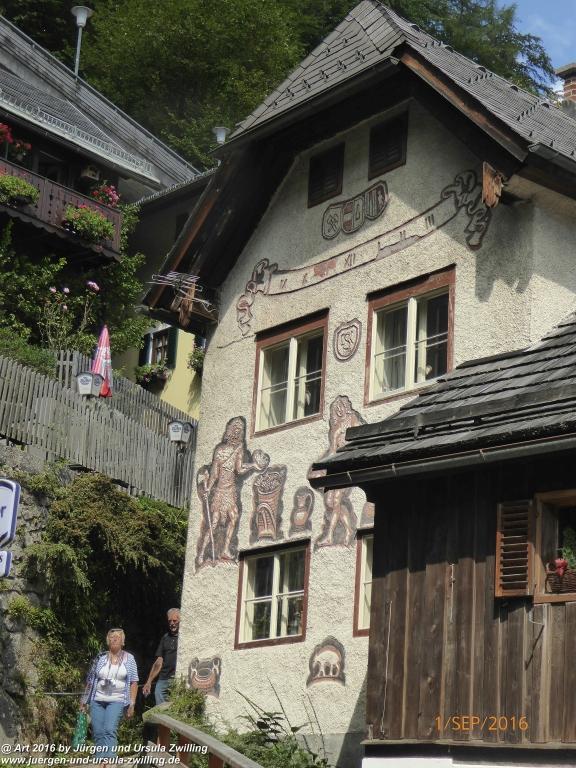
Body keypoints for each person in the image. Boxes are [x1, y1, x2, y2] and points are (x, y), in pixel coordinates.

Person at [80, 628, 138, 763]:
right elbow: (90, 680)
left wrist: (132, 704)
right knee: (98, 732)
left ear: (123, 641)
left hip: (117, 700)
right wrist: (83, 701)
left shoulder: (129, 659)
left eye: (118, 637)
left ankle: (109, 761)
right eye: (111, 637)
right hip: (97, 700)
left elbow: (134, 682)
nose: (114, 639)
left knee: (109, 729)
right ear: (108, 641)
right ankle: (100, 761)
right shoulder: (100, 658)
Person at [142, 608, 180, 704]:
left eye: (175, 620)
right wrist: (149, 681)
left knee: (177, 705)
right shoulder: (165, 638)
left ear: (180, 620)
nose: (172, 623)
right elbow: (159, 661)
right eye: (169, 621)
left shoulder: (185, 637)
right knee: (160, 703)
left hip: (178, 678)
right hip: (164, 678)